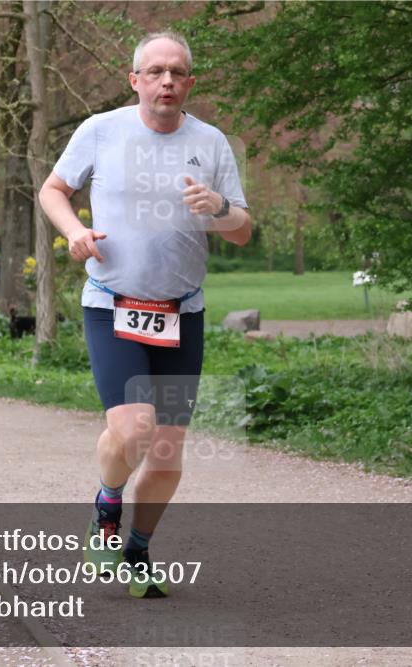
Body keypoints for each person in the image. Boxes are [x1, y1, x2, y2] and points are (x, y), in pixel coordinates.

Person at [39, 31, 251, 598]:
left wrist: (221, 207)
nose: (167, 81)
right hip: (113, 305)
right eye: (155, 71)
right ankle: (106, 506)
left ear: (190, 83)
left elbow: (244, 229)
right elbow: (53, 190)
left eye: (177, 73)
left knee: (166, 454)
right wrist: (75, 231)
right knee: (131, 430)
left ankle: (136, 552)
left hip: (182, 312)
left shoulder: (210, 142)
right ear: (134, 80)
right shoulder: (101, 131)